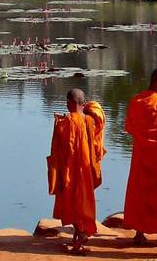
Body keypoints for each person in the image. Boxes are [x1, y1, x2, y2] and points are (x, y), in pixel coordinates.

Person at [47, 89, 106, 255]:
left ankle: (81, 235)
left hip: (68, 171)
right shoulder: (89, 121)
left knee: (70, 201)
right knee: (83, 200)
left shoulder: (64, 123)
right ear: (83, 103)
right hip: (85, 169)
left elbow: (58, 148)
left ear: (69, 102)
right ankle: (80, 232)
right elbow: (97, 139)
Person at [124, 69, 157, 246]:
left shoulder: (137, 101)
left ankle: (139, 234)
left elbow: (129, 127)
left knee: (140, 192)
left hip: (141, 157)